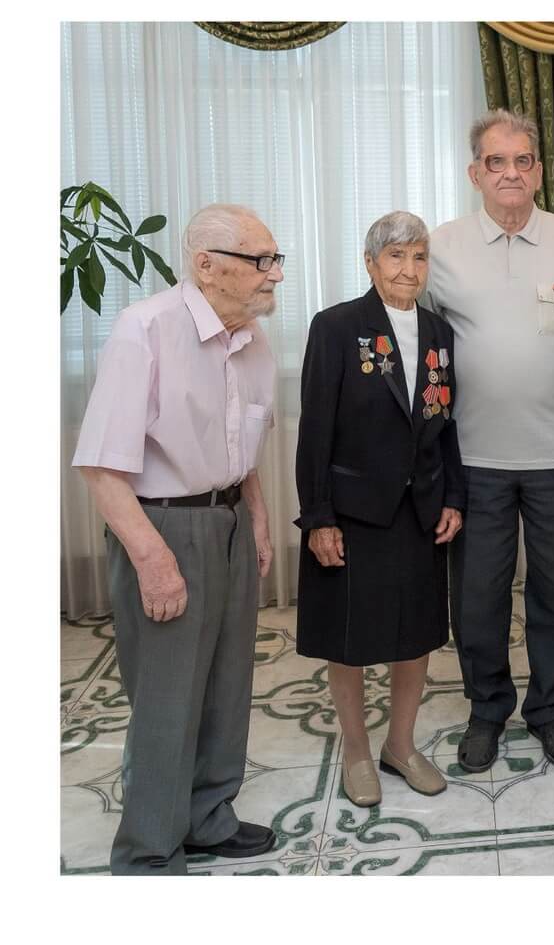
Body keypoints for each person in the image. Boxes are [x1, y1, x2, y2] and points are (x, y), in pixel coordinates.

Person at [73, 203, 282, 874]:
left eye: (276, 259)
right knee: (168, 696)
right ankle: (149, 850)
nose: (275, 274)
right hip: (164, 525)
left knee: (227, 683)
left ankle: (208, 817)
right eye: (261, 260)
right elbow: (102, 468)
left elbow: (244, 448)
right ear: (206, 265)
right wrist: (152, 558)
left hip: (228, 520)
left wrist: (256, 518)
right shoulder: (146, 329)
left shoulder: (253, 337)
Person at [425, 109, 554, 774]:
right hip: (473, 460)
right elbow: (424, 359)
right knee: (477, 596)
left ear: (538, 171)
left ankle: (550, 709)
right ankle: (486, 710)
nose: (510, 172)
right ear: (474, 172)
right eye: (496, 161)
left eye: (522, 160)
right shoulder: (441, 247)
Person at [294, 211, 464, 807]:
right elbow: (314, 430)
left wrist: (454, 496)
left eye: (419, 257)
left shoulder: (439, 332)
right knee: (351, 638)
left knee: (415, 635)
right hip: (354, 513)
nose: (409, 269)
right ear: (370, 263)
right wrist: (318, 516)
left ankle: (400, 744)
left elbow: (447, 424)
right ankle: (358, 752)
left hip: (420, 511)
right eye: (395, 256)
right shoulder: (337, 327)